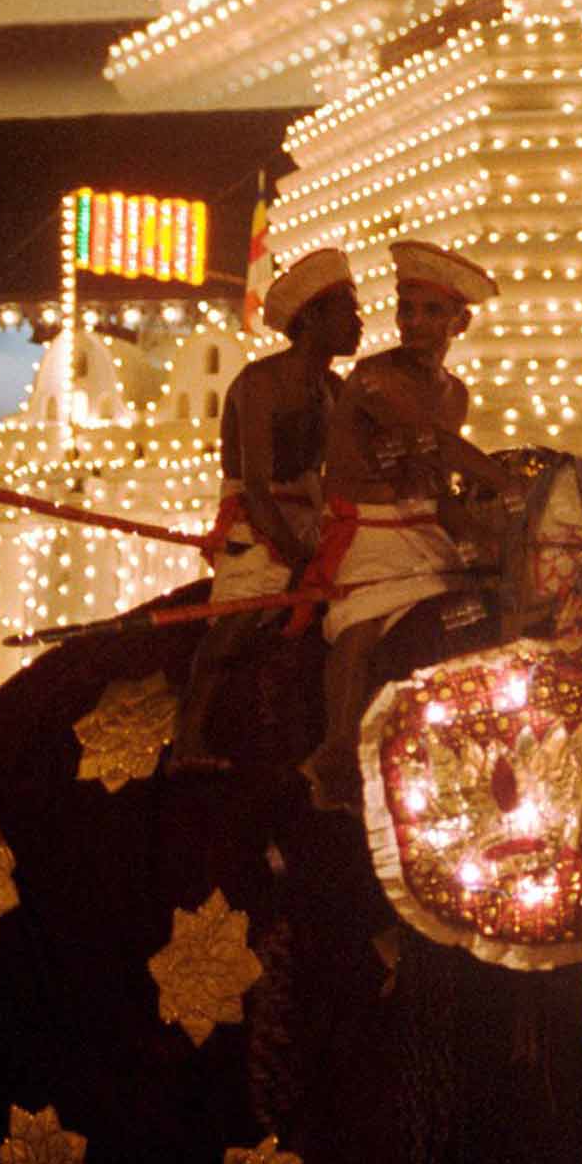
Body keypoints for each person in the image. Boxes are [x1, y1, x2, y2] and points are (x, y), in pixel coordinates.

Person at [297, 239, 515, 813]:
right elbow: (434, 444)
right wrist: (513, 484)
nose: (414, 323)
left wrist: (489, 531)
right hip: (367, 530)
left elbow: (433, 478)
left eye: (431, 312)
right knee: (364, 622)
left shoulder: (456, 393)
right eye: (407, 309)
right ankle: (337, 749)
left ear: (459, 322)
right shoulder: (374, 377)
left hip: (424, 529)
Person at [169, 248, 362, 772]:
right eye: (348, 311)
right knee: (239, 614)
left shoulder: (335, 389)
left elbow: (343, 472)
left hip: (313, 517)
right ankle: (187, 738)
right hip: (255, 521)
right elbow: (256, 486)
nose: (360, 323)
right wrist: (298, 556)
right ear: (313, 319)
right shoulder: (259, 383)